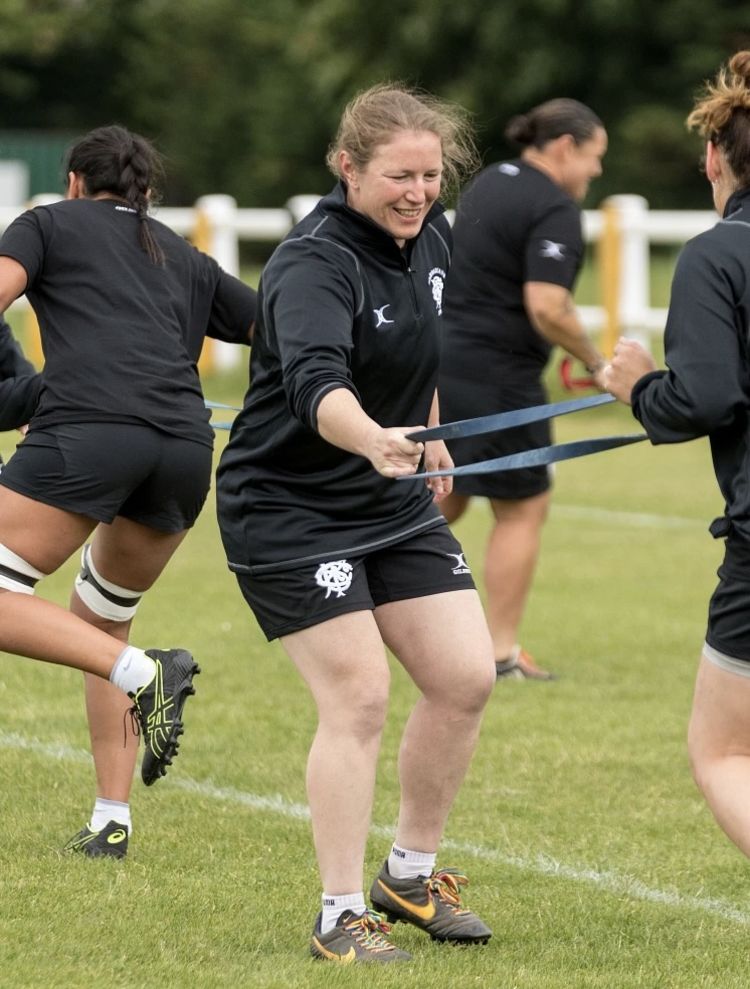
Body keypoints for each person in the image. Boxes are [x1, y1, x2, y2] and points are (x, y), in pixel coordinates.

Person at [216, 84, 495, 963]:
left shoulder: (434, 233)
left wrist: (432, 424)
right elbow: (316, 383)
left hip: (391, 499)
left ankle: (409, 876)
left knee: (465, 676)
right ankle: (339, 915)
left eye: (430, 175)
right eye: (397, 178)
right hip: (289, 507)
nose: (418, 192)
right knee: (360, 695)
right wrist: (373, 437)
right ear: (347, 168)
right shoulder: (312, 262)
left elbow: (420, 339)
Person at [0, 124, 256, 857]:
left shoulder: (46, 222)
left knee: (98, 641)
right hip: (183, 449)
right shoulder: (179, 252)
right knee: (102, 621)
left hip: (91, 434)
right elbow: (277, 328)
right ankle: (113, 819)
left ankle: (148, 673)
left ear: (75, 180)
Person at [604, 50, 750, 858]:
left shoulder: (716, 254)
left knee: (723, 750)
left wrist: (639, 388)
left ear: (712, 158)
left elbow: (706, 398)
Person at [438, 99, 608, 680]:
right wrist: (595, 361)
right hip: (499, 375)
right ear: (565, 147)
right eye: (594, 157)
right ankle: (500, 653)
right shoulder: (554, 205)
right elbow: (548, 305)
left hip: (442, 362)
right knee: (522, 506)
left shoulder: (490, 182)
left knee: (446, 495)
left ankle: (352, 592)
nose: (596, 171)